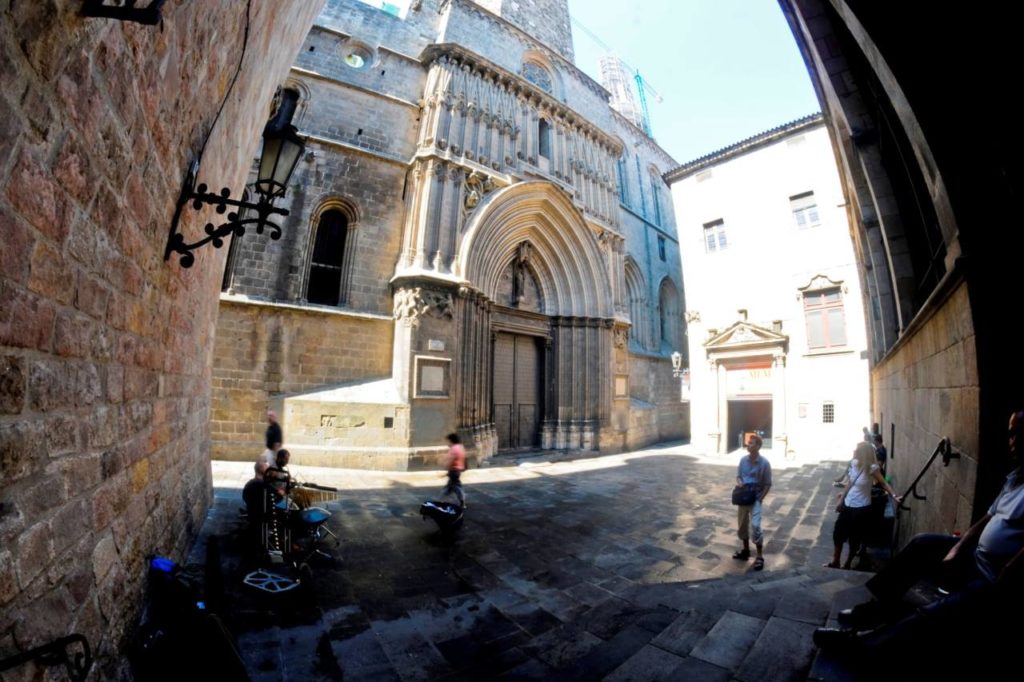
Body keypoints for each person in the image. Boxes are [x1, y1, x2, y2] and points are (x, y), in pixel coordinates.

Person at [814, 410, 1024, 667]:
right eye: (1011, 433)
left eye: (1019, 433)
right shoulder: (1015, 479)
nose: (1012, 440)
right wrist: (958, 547)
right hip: (975, 555)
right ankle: (873, 610)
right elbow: (986, 518)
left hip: (993, 575)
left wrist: (999, 582)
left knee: (935, 613)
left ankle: (864, 646)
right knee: (922, 543)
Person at [826, 442, 901, 569]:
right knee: (838, 533)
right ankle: (835, 561)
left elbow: (883, 483)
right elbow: (850, 483)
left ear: (864, 453)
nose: (854, 450)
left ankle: (848, 563)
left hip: (862, 508)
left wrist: (894, 495)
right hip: (848, 504)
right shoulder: (854, 463)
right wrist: (841, 500)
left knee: (854, 537)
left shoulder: (872, 468)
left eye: (858, 449)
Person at [733, 434, 772, 571]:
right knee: (742, 526)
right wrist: (740, 483)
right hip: (743, 497)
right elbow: (738, 476)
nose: (748, 445)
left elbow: (768, 484)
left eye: (752, 443)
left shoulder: (764, 463)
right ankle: (745, 550)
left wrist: (760, 498)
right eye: (748, 443)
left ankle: (760, 556)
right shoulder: (743, 460)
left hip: (755, 498)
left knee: (755, 526)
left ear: (758, 446)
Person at [441, 433, 466, 509]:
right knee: (452, 486)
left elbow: (451, 460)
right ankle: (442, 499)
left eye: (448, 441)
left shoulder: (454, 448)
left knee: (455, 487)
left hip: (454, 470)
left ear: (451, 440)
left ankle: (461, 501)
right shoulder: (460, 447)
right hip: (457, 470)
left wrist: (446, 467)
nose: (448, 443)